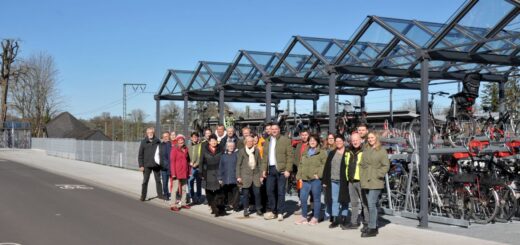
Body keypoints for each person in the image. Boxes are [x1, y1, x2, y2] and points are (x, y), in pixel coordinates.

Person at [261, 123, 294, 221]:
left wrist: (288, 169)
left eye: (276, 129)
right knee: (269, 191)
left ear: (279, 130)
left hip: (281, 170)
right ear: (270, 130)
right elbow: (264, 157)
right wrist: (263, 169)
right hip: (270, 169)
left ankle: (280, 212)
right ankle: (273, 210)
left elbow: (290, 156)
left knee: (280, 192)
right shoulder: (267, 141)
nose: (274, 130)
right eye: (272, 129)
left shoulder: (285, 140)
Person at [360, 132, 389, 237]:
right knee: (369, 204)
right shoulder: (366, 150)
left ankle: (372, 227)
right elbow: (362, 164)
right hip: (366, 179)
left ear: (376, 138)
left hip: (376, 180)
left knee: (371, 204)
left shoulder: (381, 150)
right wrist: (362, 176)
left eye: (372, 137)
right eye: (369, 138)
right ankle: (373, 224)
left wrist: (378, 174)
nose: (370, 139)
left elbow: (386, 165)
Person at [295, 134, 327, 225]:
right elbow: (301, 165)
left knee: (316, 199)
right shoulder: (305, 152)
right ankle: (304, 217)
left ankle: (315, 217)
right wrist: (299, 176)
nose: (312, 142)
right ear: (308, 142)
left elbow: (324, 165)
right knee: (303, 198)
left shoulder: (322, 152)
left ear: (317, 142)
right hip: (304, 179)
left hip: (315, 180)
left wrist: (319, 174)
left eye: (314, 140)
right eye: (310, 140)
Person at [322, 134, 349, 229]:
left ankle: (344, 218)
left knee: (345, 200)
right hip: (333, 180)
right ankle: (335, 219)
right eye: (336, 141)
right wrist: (325, 181)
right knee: (335, 200)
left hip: (344, 181)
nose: (338, 143)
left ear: (344, 141)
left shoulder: (348, 153)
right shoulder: (332, 153)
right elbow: (326, 167)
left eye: (340, 141)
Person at [343, 133, 367, 230]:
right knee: (353, 203)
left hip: (361, 180)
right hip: (351, 181)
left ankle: (367, 223)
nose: (355, 142)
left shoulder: (364, 151)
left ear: (361, 140)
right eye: (353, 140)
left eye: (356, 140)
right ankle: (354, 222)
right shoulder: (348, 151)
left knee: (364, 203)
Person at [200, 134, 226, 217]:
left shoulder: (221, 149)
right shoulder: (204, 149)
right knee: (209, 192)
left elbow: (224, 160)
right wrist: (201, 173)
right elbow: (201, 162)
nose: (214, 142)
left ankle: (221, 209)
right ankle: (213, 208)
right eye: (212, 141)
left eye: (215, 140)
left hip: (219, 173)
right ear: (209, 142)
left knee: (220, 192)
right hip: (208, 173)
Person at [236, 136, 263, 217]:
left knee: (257, 193)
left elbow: (260, 164)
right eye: (248, 141)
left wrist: (261, 175)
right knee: (245, 194)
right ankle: (246, 209)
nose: (250, 143)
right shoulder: (241, 151)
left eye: (251, 141)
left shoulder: (257, 151)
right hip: (245, 176)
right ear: (245, 142)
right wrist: (238, 176)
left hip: (256, 175)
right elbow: (238, 165)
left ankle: (258, 208)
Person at [137, 127, 163, 201]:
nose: (150, 134)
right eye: (148, 133)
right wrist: (141, 165)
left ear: (153, 133)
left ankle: (160, 196)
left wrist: (160, 164)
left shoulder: (158, 141)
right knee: (145, 181)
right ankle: (143, 196)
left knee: (158, 180)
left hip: (156, 165)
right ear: (146, 133)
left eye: (151, 132)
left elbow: (160, 153)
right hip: (146, 165)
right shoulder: (143, 142)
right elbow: (140, 155)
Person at [169, 134, 191, 211]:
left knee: (184, 189)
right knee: (175, 189)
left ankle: (184, 203)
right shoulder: (174, 149)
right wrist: (173, 173)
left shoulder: (186, 149)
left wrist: (189, 172)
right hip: (177, 173)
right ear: (177, 141)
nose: (181, 141)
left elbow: (187, 161)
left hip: (184, 172)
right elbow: (172, 162)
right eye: (179, 140)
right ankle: (173, 205)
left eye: (182, 140)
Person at [219, 141, 240, 212]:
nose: (231, 147)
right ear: (227, 147)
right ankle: (229, 204)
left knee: (236, 192)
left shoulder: (237, 155)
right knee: (228, 192)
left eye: (232, 146)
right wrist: (220, 178)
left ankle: (236, 205)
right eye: (229, 146)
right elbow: (220, 167)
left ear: (234, 147)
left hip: (235, 177)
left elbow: (239, 166)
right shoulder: (223, 156)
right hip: (225, 177)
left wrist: (239, 176)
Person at [293, 129, 309, 215]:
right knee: (300, 189)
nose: (304, 136)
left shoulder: (311, 144)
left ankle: (312, 207)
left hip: (309, 171)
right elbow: (295, 157)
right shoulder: (299, 145)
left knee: (310, 190)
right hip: (299, 170)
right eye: (303, 135)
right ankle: (302, 206)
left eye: (306, 135)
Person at [188, 132, 203, 204]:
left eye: (196, 137)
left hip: (198, 167)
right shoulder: (188, 146)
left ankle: (199, 197)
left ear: (198, 138)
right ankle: (192, 197)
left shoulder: (200, 145)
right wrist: (189, 163)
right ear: (191, 138)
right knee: (190, 182)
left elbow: (201, 157)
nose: (195, 138)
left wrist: (196, 164)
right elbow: (187, 157)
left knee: (199, 183)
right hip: (191, 168)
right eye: (193, 137)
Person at [159, 131, 172, 200]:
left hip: (172, 167)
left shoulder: (172, 144)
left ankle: (175, 196)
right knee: (164, 182)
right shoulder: (160, 145)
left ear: (169, 136)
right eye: (163, 137)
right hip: (163, 167)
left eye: (166, 136)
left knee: (174, 183)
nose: (165, 138)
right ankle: (166, 195)